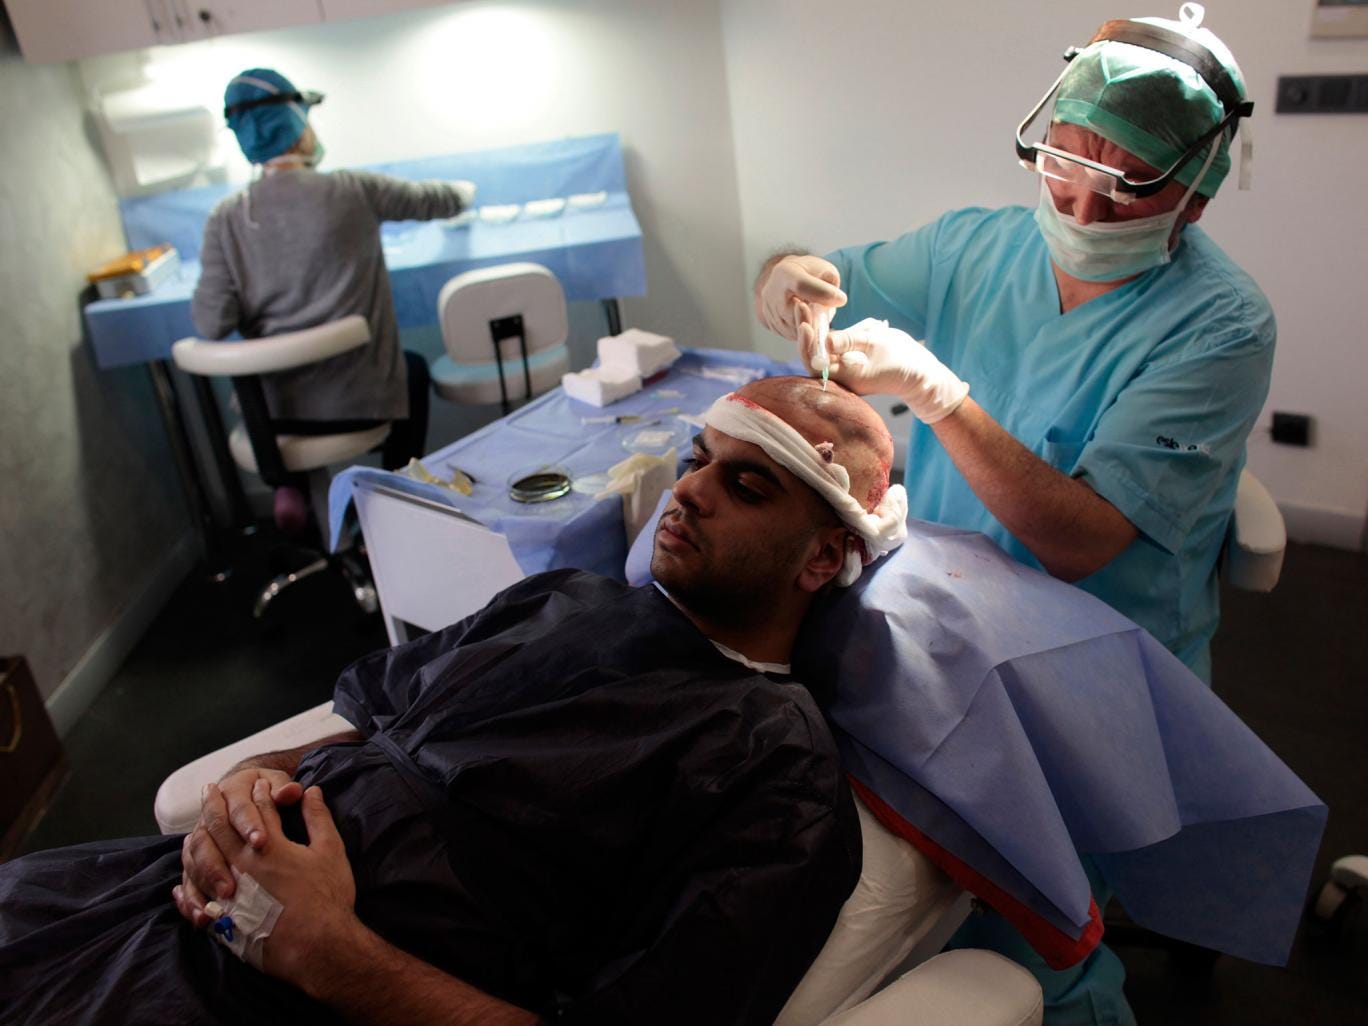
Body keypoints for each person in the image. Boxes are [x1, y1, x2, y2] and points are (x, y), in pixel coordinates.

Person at [0, 378, 909, 1025]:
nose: (688, 491)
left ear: (822, 559)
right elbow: (364, 717)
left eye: (746, 487)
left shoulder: (776, 771)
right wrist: (242, 784)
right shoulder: (565, 599)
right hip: (176, 901)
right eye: (699, 460)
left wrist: (325, 952)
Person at [752, 6, 1270, 1025]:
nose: (1078, 204)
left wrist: (941, 397)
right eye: (1062, 165)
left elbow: (1078, 541)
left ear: (1198, 196)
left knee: (1020, 928)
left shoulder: (1221, 325)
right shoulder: (971, 249)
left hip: (1089, 667)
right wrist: (792, 283)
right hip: (932, 625)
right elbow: (824, 274)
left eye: (1126, 189)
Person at [192, 68, 476, 532]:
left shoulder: (225, 218)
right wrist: (468, 192)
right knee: (414, 369)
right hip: (360, 402)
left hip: (274, 416)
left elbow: (211, 323)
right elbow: (439, 200)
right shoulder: (352, 190)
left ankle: (293, 484)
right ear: (299, 125)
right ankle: (387, 504)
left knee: (305, 393)